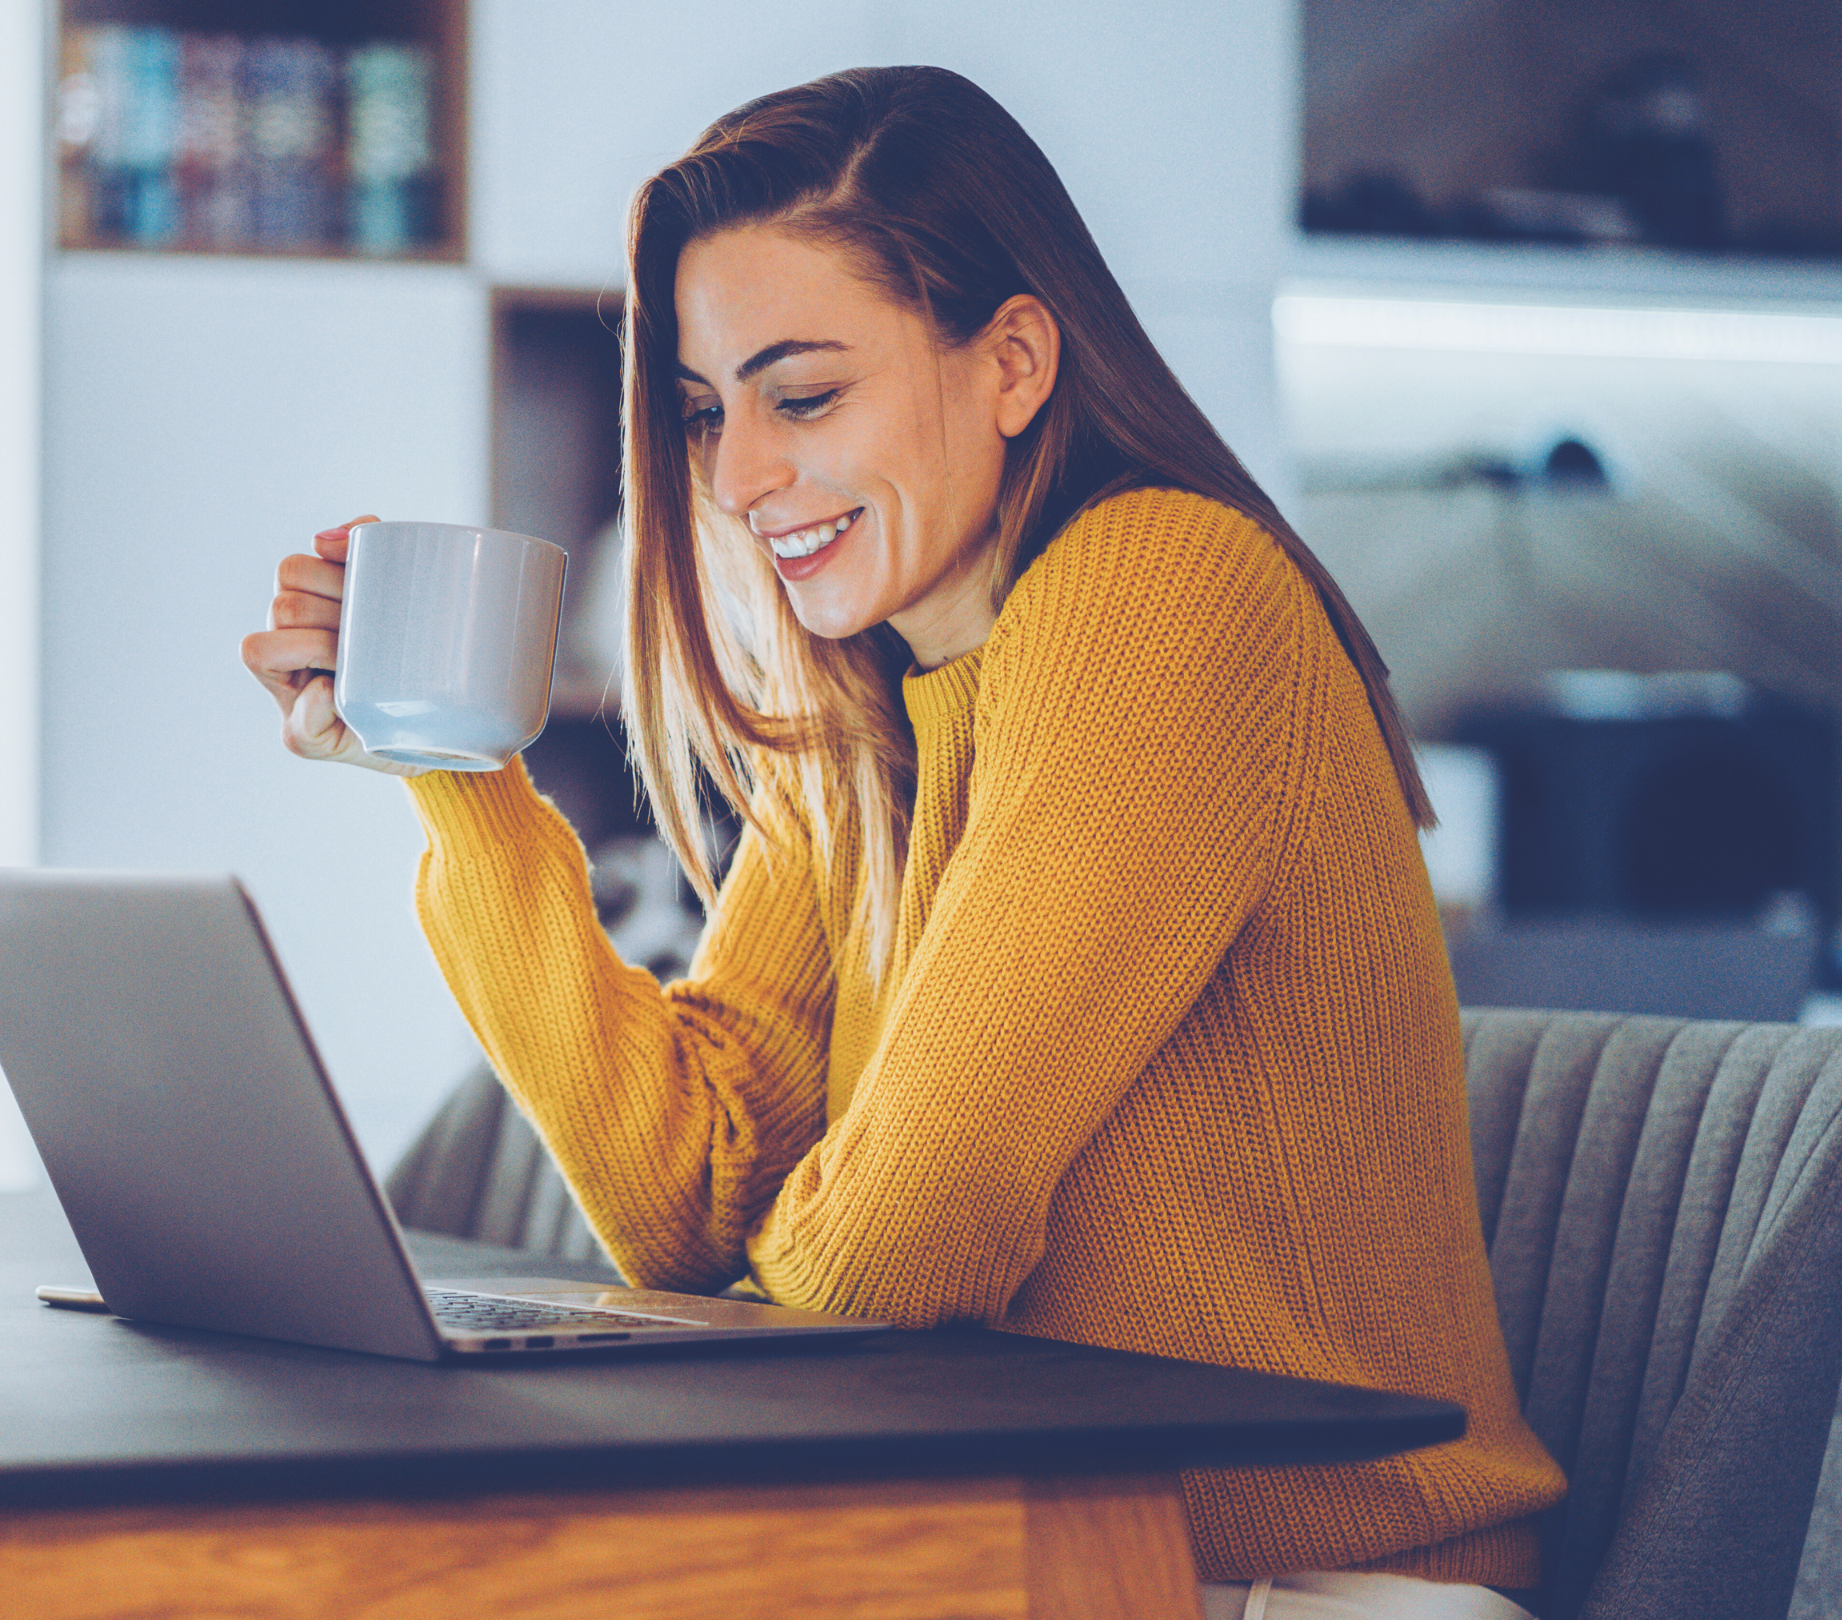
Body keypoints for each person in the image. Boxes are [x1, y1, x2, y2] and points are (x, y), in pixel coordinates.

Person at [242, 67, 1565, 1619]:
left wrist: (729, 1325)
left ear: (1011, 361)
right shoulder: (877, 700)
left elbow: (898, 1251)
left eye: (802, 396)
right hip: (1020, 1548)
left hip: (1308, 1579)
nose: (736, 481)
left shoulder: (1163, 590)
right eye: (704, 410)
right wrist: (453, 761)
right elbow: (691, 1197)